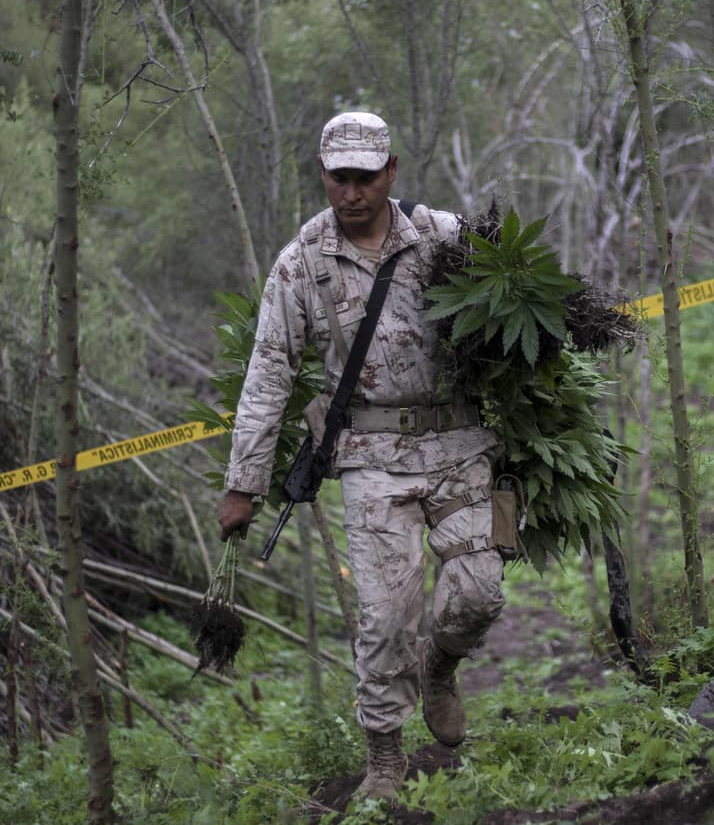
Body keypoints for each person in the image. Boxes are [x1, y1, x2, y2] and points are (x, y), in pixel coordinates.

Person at [216, 111, 507, 801]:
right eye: (339, 178)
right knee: (385, 617)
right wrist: (243, 484)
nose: (352, 192)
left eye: (365, 177)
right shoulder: (303, 264)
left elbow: (508, 301)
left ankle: (439, 667)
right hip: (370, 458)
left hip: (460, 443)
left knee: (480, 591)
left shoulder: (441, 236)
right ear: (323, 175)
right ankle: (385, 760)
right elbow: (268, 375)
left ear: (391, 171)